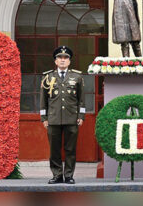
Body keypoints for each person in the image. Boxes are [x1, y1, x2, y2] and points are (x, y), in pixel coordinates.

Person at [40, 46, 85, 184]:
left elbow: (81, 99)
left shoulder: (77, 77)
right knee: (54, 150)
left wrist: (81, 116)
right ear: (55, 61)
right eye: (60, 58)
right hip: (53, 119)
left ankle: (69, 175)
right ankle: (57, 175)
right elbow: (43, 100)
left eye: (66, 58)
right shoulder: (48, 77)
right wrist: (44, 118)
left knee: (70, 149)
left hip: (71, 118)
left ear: (69, 61)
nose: (63, 60)